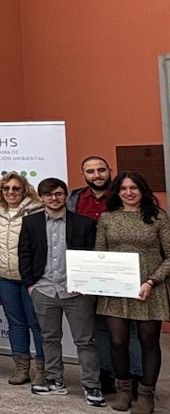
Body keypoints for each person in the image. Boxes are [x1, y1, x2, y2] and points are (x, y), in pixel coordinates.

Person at [19, 177, 103, 404]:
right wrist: (31, 285)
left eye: (58, 194)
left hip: (76, 292)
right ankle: (55, 380)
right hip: (44, 289)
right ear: (42, 197)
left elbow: (91, 258)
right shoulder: (31, 222)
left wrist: (85, 285)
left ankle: (92, 386)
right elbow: (24, 255)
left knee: (85, 341)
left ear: (66, 196)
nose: (54, 198)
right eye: (48, 195)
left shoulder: (84, 223)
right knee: (49, 338)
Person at [94, 172, 169, 414]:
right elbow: (99, 254)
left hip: (149, 288)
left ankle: (146, 394)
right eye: (124, 188)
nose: (129, 192)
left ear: (142, 190)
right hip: (116, 289)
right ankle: (123, 390)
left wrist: (152, 281)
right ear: (117, 192)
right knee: (117, 341)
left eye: (134, 187)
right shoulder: (107, 218)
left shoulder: (158, 217)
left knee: (148, 342)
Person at [73, 156, 140, 393]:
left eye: (101, 170)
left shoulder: (124, 195)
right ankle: (107, 374)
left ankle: (133, 377)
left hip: (121, 272)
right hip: (87, 272)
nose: (97, 175)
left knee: (127, 329)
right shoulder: (76, 199)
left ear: (109, 171)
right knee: (97, 326)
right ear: (84, 175)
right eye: (90, 171)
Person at [0, 171, 46, 385]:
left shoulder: (37, 211)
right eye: (6, 188)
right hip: (4, 276)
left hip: (30, 278)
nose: (11, 192)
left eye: (16, 188)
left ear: (25, 190)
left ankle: (43, 368)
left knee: (36, 323)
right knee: (15, 323)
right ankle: (22, 367)